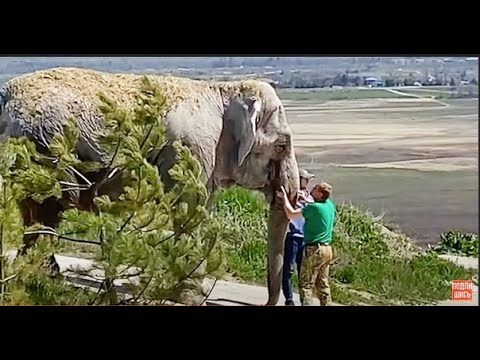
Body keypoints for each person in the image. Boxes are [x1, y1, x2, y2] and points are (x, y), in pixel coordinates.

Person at [277, 181, 336, 306]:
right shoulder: (329, 205)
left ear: (320, 194)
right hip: (327, 249)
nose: (312, 190)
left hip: (314, 249)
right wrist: (306, 200)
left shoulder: (313, 208)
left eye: (315, 189)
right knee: (322, 283)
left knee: (306, 284)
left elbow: (291, 214)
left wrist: (285, 198)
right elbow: (316, 206)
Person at [282, 169, 315, 306]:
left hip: (304, 237)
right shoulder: (293, 194)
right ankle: (289, 299)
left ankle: (304, 299)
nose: (307, 182)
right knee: (288, 269)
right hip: (292, 235)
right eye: (305, 179)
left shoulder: (310, 198)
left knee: (303, 271)